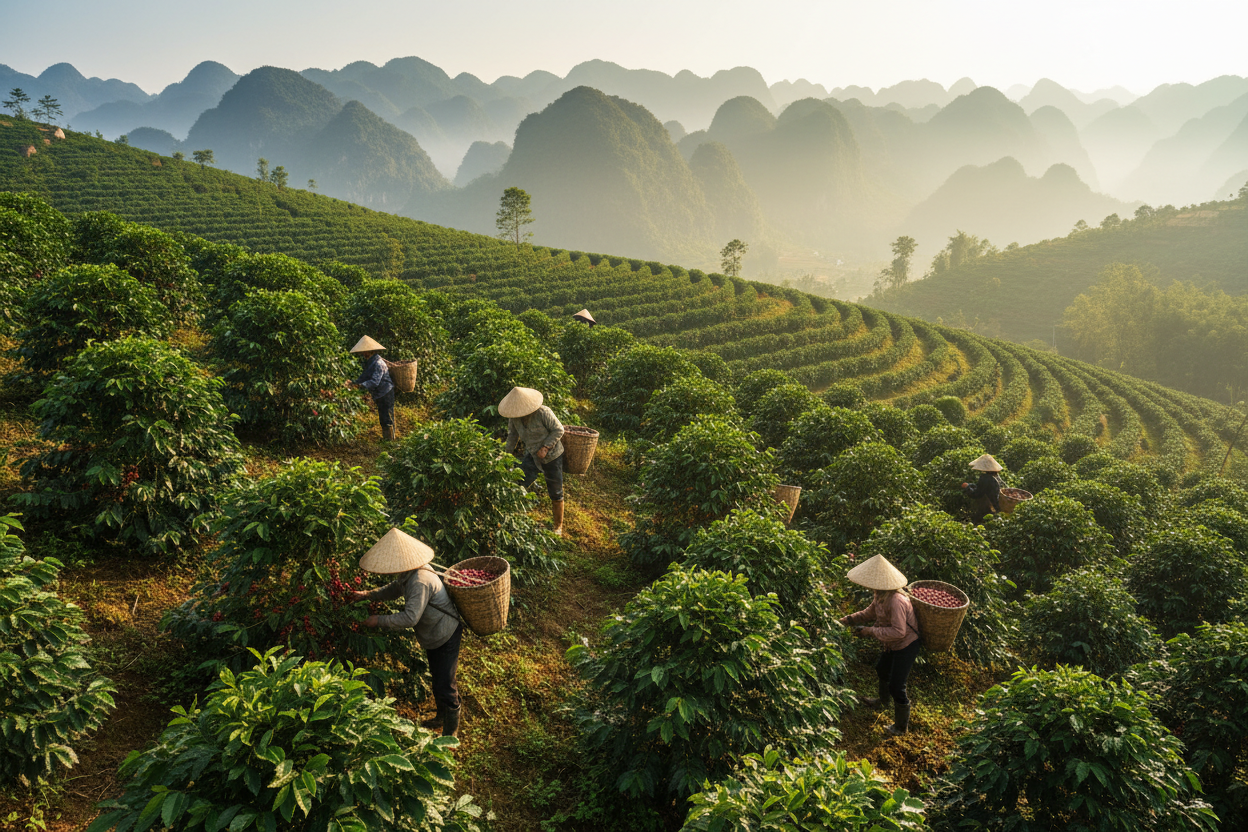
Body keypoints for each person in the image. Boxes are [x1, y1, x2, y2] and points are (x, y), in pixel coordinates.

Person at [350, 527, 464, 736]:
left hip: (445, 633)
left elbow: (410, 618)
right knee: (438, 679)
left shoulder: (419, 580)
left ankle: (451, 735)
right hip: (433, 634)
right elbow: (394, 589)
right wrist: (367, 595)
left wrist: (378, 621)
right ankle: (441, 717)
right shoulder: (410, 572)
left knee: (445, 684)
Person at [838, 554, 921, 736]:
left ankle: (900, 727)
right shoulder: (881, 595)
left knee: (897, 685)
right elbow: (869, 613)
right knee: (882, 669)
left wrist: (870, 632)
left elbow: (899, 632)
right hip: (892, 643)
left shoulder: (896, 601)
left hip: (906, 644)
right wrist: (848, 620)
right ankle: (882, 702)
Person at [499, 386, 566, 535]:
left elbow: (559, 429)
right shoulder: (514, 418)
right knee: (521, 481)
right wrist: (505, 456)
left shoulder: (543, 412)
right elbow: (512, 437)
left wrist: (546, 447)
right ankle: (514, 515)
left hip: (552, 455)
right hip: (532, 454)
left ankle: (558, 526)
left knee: (555, 491)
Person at [346, 336, 396, 440]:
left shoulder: (378, 363)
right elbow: (363, 377)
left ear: (371, 351)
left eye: (365, 352)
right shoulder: (370, 363)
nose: (363, 354)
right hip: (379, 394)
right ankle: (387, 439)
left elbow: (374, 382)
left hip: (386, 392)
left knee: (387, 416)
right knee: (383, 415)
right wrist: (353, 383)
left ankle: (390, 440)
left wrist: (360, 385)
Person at [960, 454, 1004, 520]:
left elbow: (977, 494)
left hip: (988, 509)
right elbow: (984, 488)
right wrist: (971, 485)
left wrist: (967, 487)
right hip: (997, 506)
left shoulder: (985, 478)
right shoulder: (996, 477)